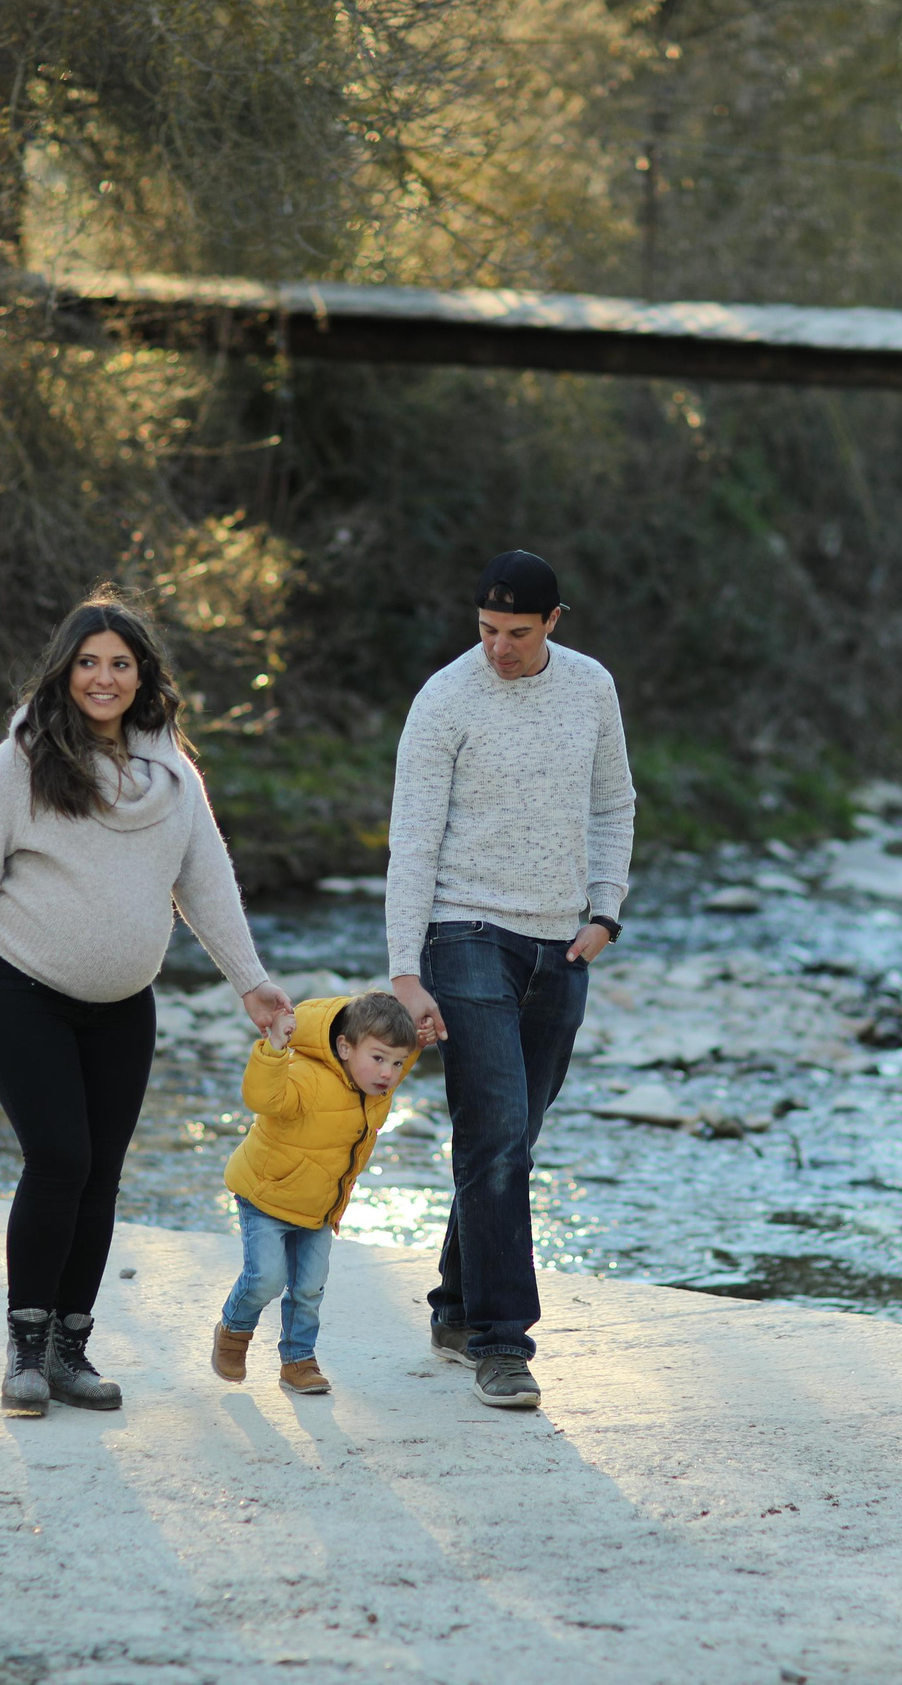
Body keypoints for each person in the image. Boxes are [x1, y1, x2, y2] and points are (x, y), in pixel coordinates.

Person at [0, 588, 294, 1418]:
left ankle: (70, 1350)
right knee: (60, 1159)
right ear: (64, 671)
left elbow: (206, 882)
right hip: (20, 992)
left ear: (143, 676)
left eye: (120, 663)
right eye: (88, 663)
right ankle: (24, 1349)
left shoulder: (174, 778)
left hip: (123, 1006)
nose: (103, 678)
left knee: (101, 1177)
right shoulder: (21, 763)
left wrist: (250, 980)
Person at [386, 550, 635, 1410]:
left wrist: (605, 910)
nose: (498, 648)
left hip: (560, 942)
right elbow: (411, 838)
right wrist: (405, 970)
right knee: (492, 1133)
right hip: (464, 932)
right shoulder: (444, 699)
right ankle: (502, 1341)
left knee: (513, 1140)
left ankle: (456, 1307)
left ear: (554, 622)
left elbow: (613, 803)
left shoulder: (591, 687)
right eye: (487, 631)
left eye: (517, 634)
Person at [210, 989, 419, 1395]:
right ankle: (234, 1331)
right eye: (378, 1058)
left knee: (309, 1288)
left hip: (320, 1208)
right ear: (344, 1046)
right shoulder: (305, 1075)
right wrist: (273, 1047)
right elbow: (261, 1096)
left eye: (397, 1063)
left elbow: (396, 1057)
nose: (388, 1073)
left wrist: (419, 1040)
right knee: (266, 1280)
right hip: (267, 1197)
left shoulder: (375, 1089)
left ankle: (298, 1361)